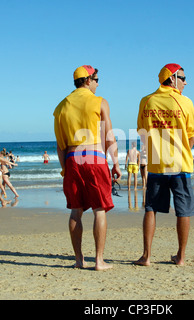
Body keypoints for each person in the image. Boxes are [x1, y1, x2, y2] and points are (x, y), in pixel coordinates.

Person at [53, 65, 121, 271]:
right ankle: (99, 261)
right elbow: (109, 135)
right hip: (94, 157)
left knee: (76, 210)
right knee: (100, 210)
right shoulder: (99, 102)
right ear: (88, 80)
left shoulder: (61, 106)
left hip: (73, 157)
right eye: (97, 80)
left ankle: (79, 260)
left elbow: (60, 145)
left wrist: (66, 169)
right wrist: (116, 162)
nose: (98, 84)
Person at [135, 63, 194, 266]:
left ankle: (146, 256)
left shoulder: (147, 101)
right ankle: (181, 256)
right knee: (183, 211)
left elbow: (142, 133)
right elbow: (191, 137)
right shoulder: (184, 102)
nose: (185, 82)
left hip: (157, 165)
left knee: (151, 208)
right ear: (172, 78)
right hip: (180, 165)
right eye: (182, 78)